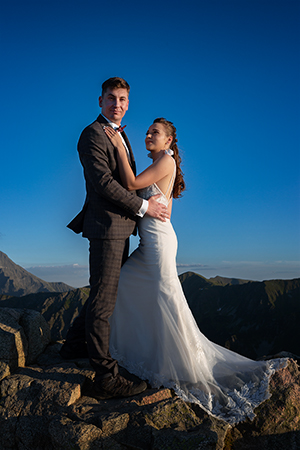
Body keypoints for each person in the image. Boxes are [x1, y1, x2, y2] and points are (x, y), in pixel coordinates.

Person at [104, 117, 287, 424]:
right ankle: (141, 352)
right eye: (148, 131)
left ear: (168, 141)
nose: (149, 135)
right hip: (154, 241)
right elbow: (163, 208)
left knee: (164, 299)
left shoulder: (165, 160)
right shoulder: (165, 162)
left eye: (155, 133)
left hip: (158, 245)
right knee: (126, 285)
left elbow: (132, 184)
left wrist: (119, 148)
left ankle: (179, 365)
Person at [60, 77, 169, 400]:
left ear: (128, 103)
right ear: (100, 101)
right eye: (111, 98)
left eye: (122, 99)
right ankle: (106, 377)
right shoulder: (92, 135)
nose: (117, 104)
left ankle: (73, 346)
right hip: (107, 227)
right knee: (105, 301)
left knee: (102, 293)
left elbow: (128, 178)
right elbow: (104, 184)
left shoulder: (120, 136)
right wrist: (144, 206)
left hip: (121, 228)